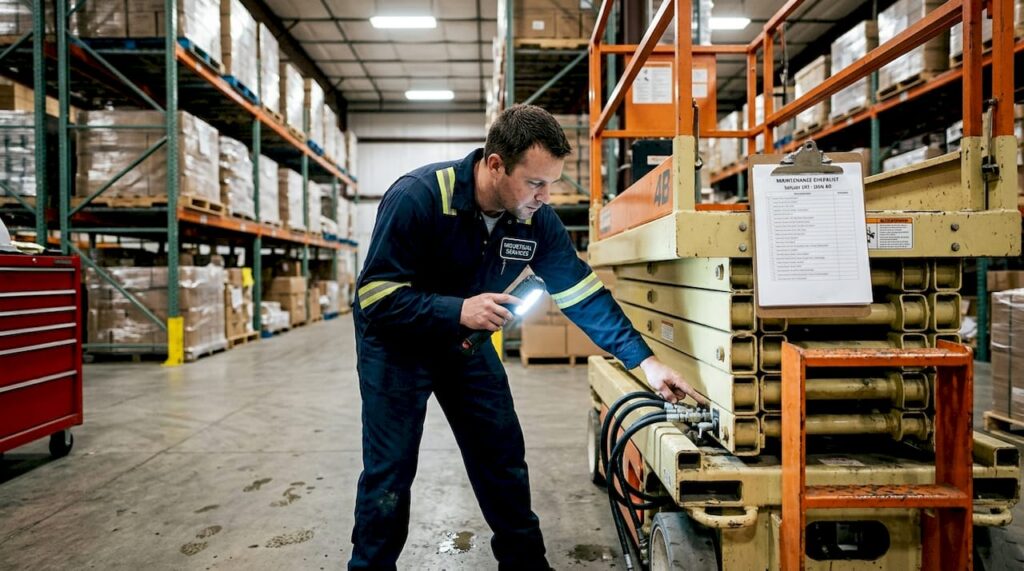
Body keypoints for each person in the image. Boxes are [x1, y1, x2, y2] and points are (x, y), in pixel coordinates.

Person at [349, 104, 706, 570]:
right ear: (495, 164)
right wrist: (457, 308)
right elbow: (375, 297)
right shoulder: (418, 196)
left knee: (501, 457)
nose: (544, 196)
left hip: (465, 347)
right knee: (389, 474)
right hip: (397, 347)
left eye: (551, 183)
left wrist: (645, 361)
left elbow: (582, 293)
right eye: (535, 183)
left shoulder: (535, 221)